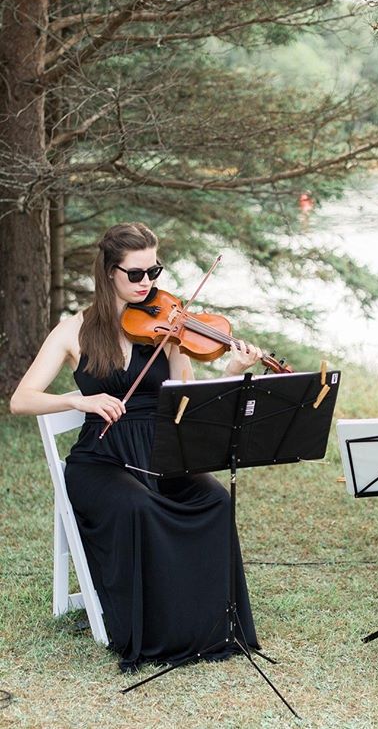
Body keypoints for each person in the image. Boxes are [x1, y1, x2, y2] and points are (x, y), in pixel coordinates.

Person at [10, 222, 263, 670]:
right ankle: (160, 630)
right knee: (139, 508)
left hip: (159, 454)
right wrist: (77, 399)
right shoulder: (74, 330)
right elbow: (21, 400)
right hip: (100, 462)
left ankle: (206, 625)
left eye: (155, 271)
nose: (148, 283)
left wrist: (233, 371)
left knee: (216, 499)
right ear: (110, 272)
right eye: (137, 274)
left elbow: (187, 400)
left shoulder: (169, 327)